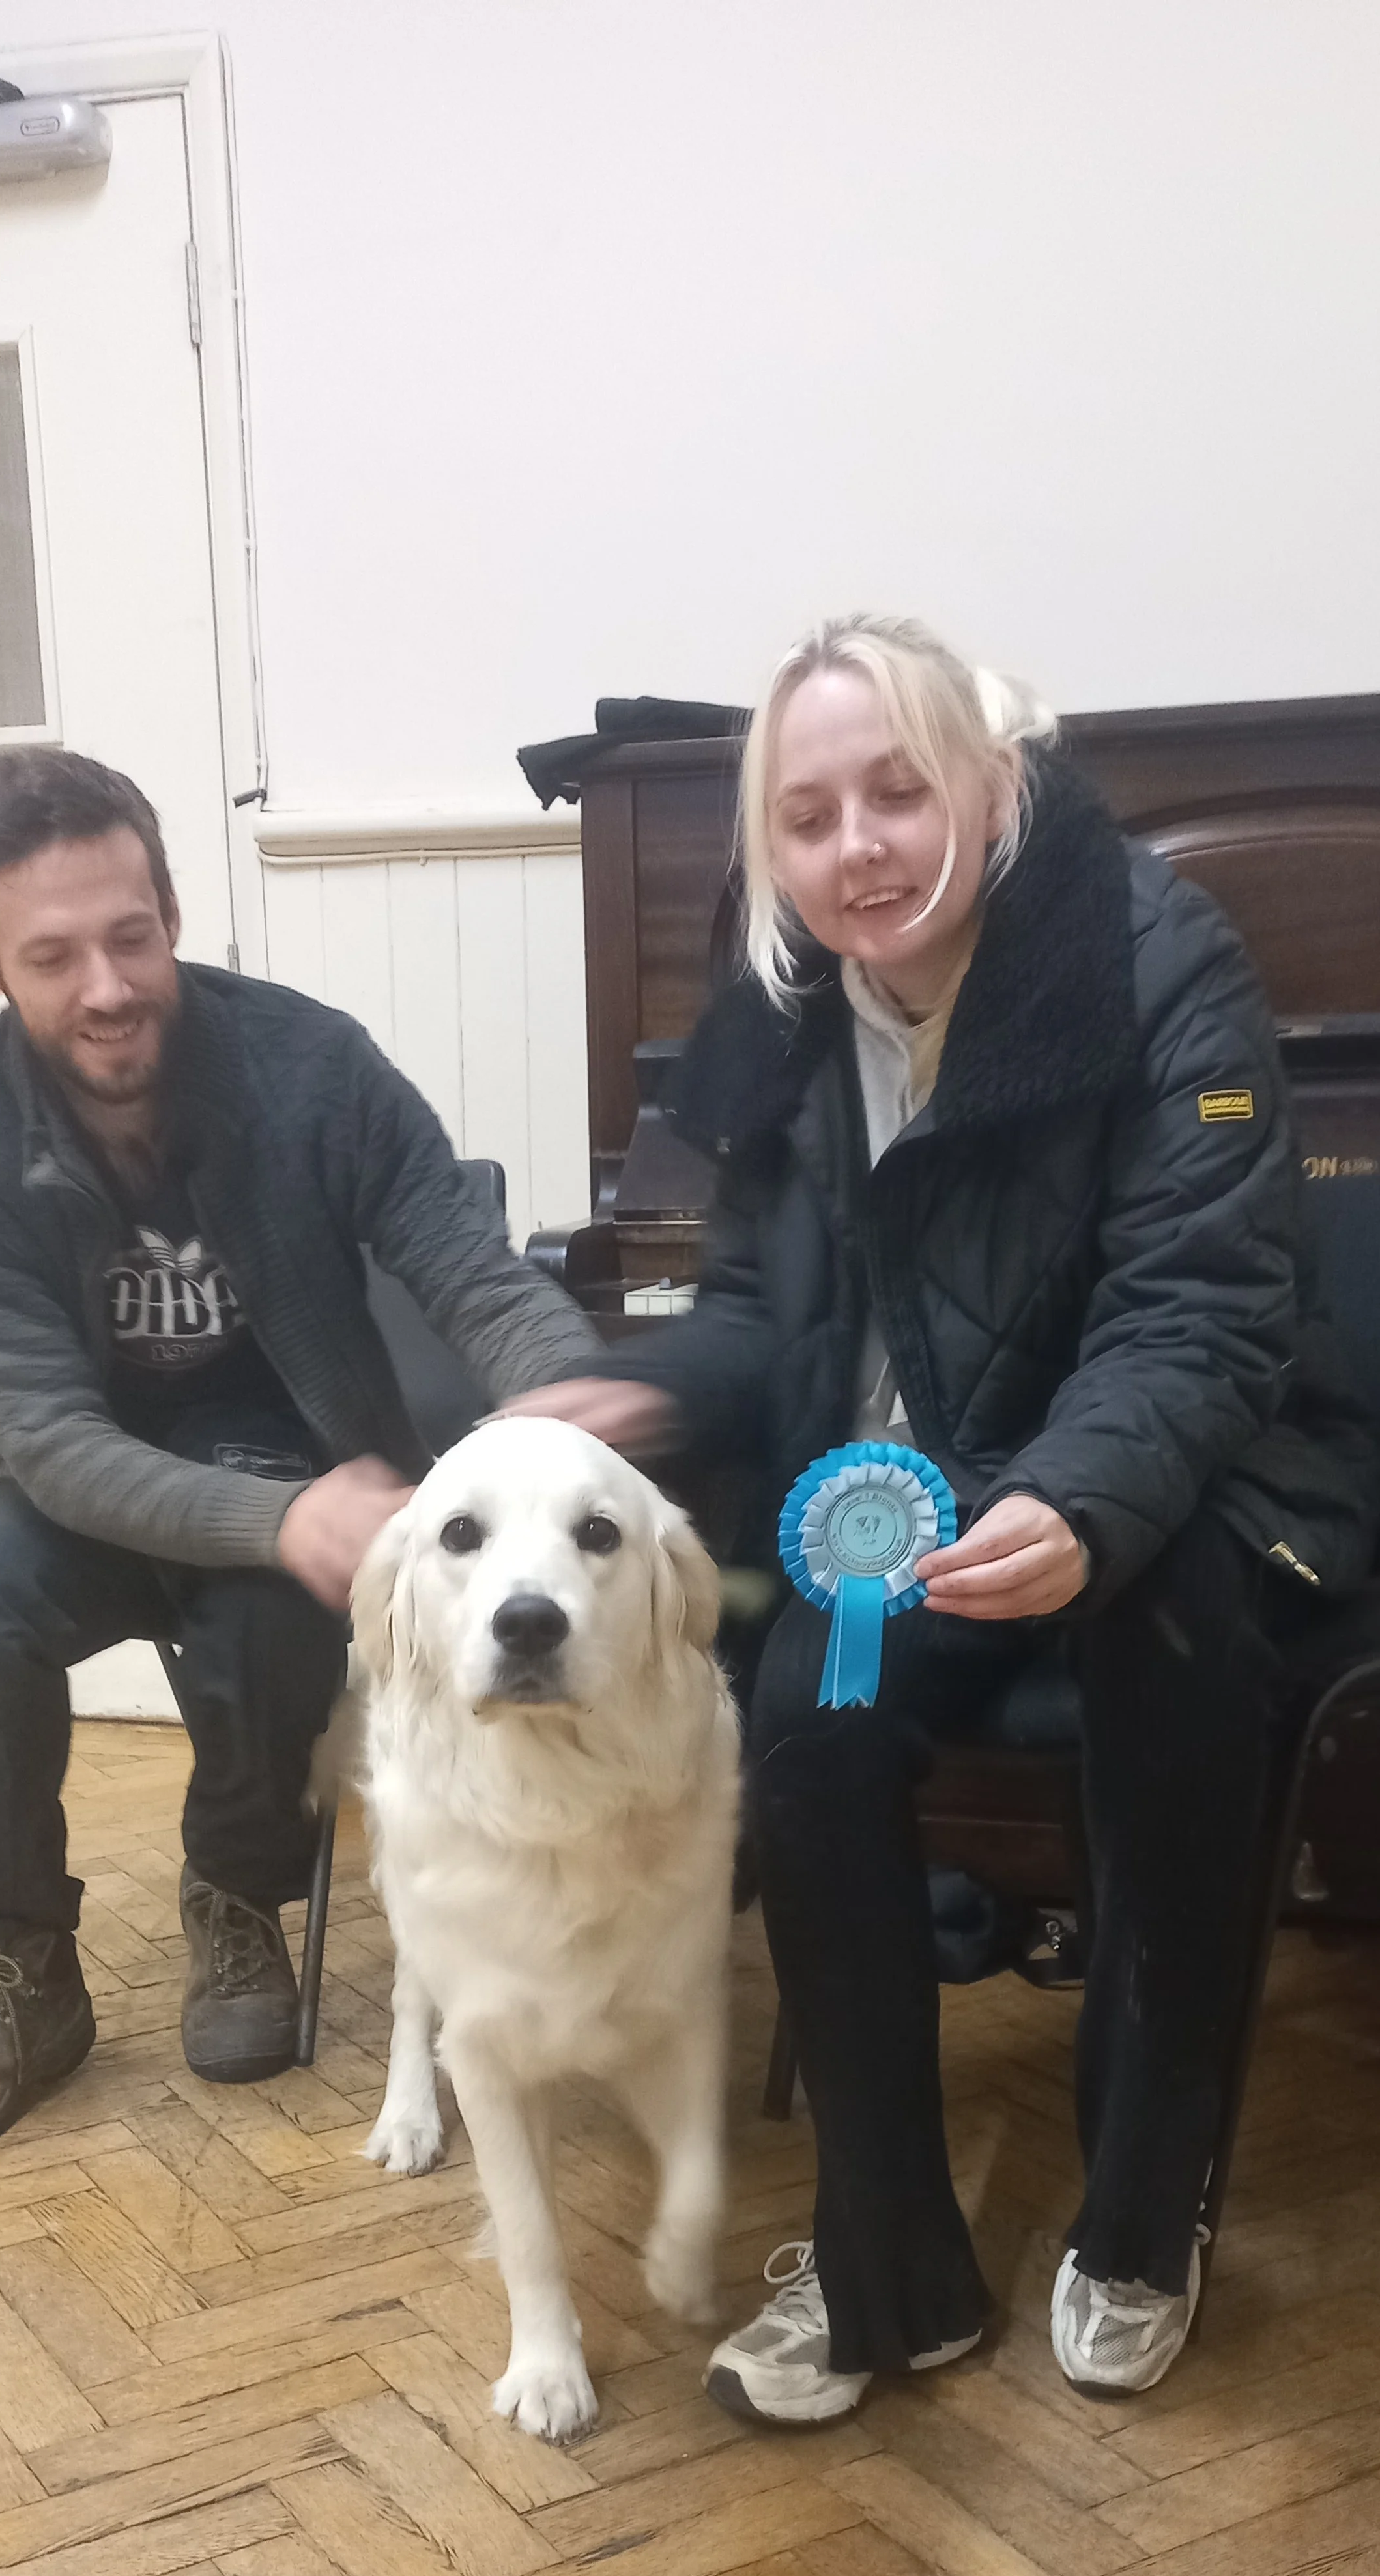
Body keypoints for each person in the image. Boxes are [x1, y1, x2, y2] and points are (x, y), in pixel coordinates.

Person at [508, 614, 1379, 2407]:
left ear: (991, 784)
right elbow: (763, 1306)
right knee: (807, 1732)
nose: (857, 849)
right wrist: (645, 1388)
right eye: (809, 815)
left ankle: (1142, 2206)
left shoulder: (1152, 957)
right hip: (908, 1516)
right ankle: (883, 2263)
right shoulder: (778, 1006)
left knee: (1175, 1669)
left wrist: (1074, 1491)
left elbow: (1201, 1310)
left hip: (1178, 1474)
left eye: (898, 792)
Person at [0, 747, 599, 2171]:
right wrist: (284, 1516)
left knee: (274, 1606)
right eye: (53, 955)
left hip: (288, 1430)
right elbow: (57, 1445)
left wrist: (568, 1409)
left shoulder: (311, 1063)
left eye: (131, 936)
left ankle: (235, 1896)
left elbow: (466, 1266)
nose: (108, 986)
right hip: (79, 1477)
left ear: (173, 911)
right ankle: (16, 1978)